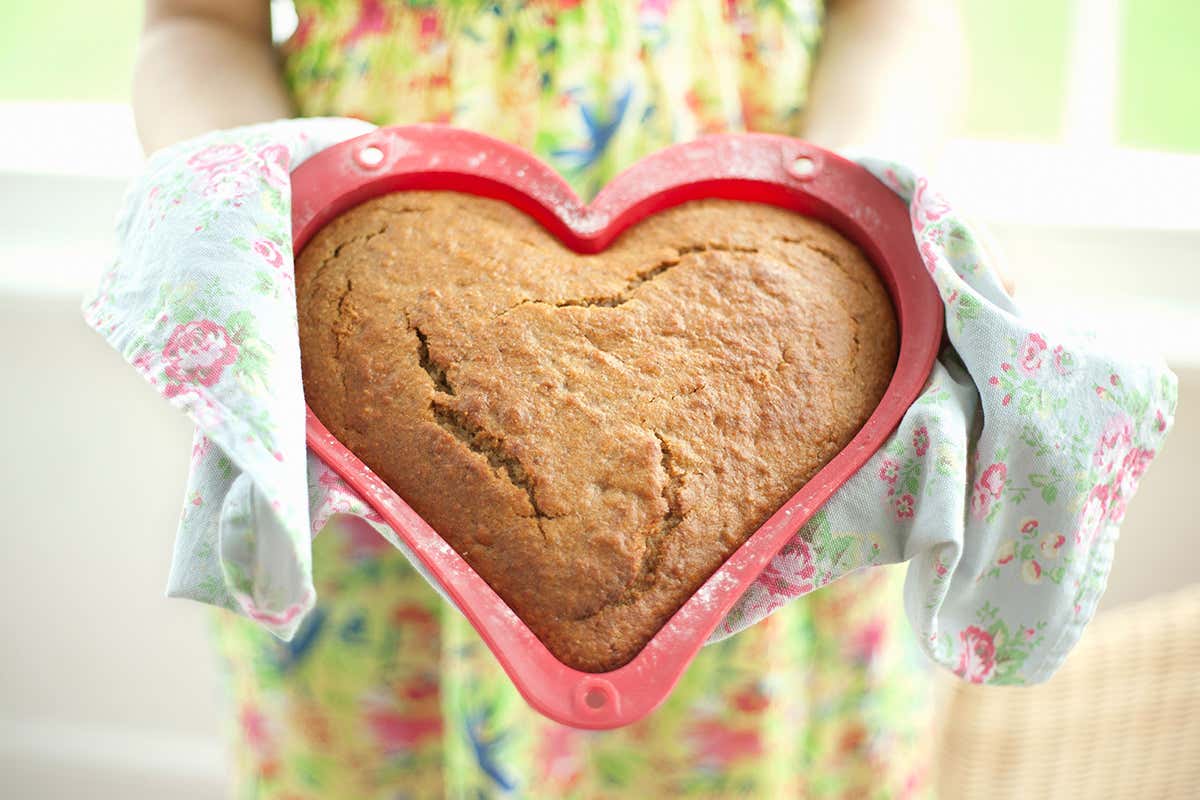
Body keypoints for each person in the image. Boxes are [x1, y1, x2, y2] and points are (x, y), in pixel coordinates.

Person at [134, 1, 965, 796]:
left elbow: (893, 12)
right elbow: (196, 20)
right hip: (359, 412)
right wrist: (249, 208)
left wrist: (850, 217)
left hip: (774, 367)